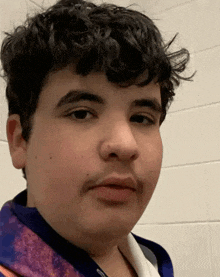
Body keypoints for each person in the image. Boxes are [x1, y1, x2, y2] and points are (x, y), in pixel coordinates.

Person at [0, 0, 192, 276]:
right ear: (20, 140)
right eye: (81, 113)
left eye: (141, 118)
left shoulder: (151, 261)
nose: (126, 145)